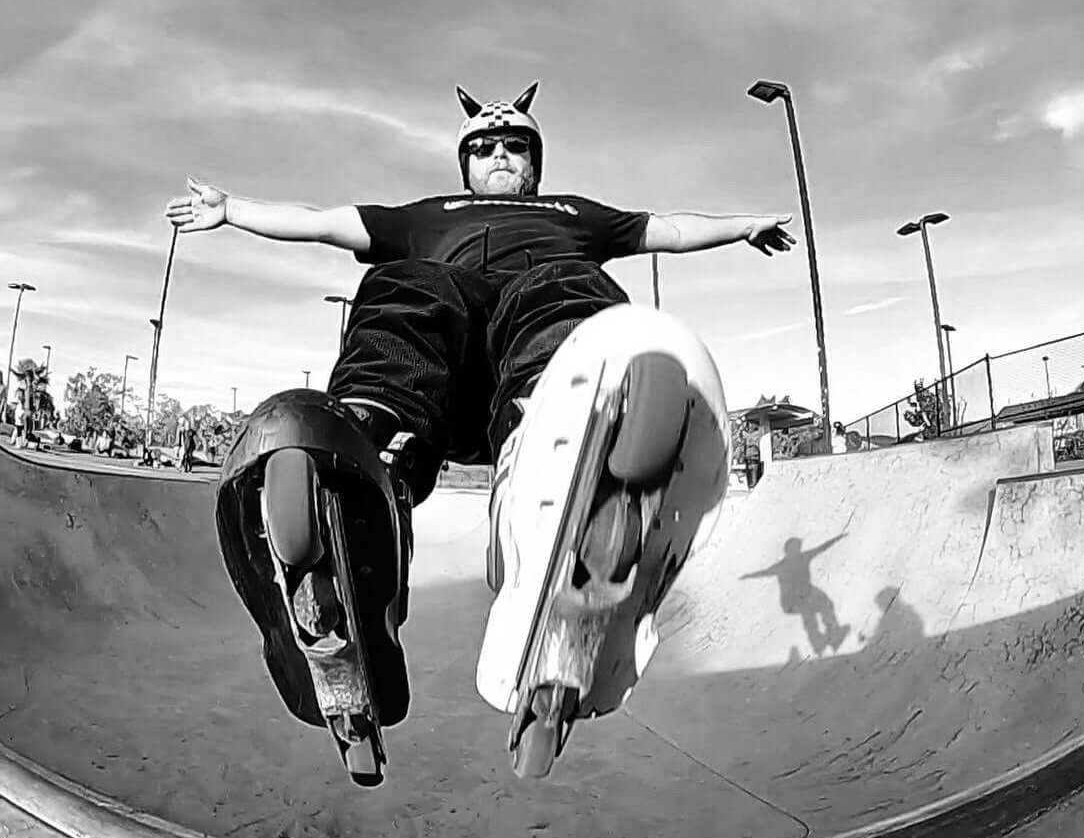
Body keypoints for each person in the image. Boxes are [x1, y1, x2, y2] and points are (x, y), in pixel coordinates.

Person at [164, 82, 796, 780]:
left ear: (536, 162)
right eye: (485, 146)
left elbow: (668, 229)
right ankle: (371, 470)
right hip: (435, 379)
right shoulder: (423, 216)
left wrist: (740, 224)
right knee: (407, 286)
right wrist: (233, 211)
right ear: (464, 160)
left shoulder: (574, 215)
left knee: (564, 285)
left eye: (515, 146)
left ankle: (559, 458)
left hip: (528, 371)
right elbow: (322, 220)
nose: (499, 154)